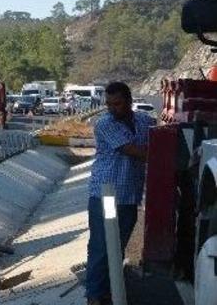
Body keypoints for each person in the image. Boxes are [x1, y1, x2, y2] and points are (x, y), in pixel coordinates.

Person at [85, 81, 155, 305]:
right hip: (106, 195)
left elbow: (161, 132)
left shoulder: (144, 121)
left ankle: (109, 289)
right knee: (102, 245)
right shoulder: (105, 124)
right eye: (109, 104)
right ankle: (94, 295)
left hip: (130, 195)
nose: (112, 108)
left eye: (117, 103)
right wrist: (162, 156)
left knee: (119, 244)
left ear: (129, 101)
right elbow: (133, 150)